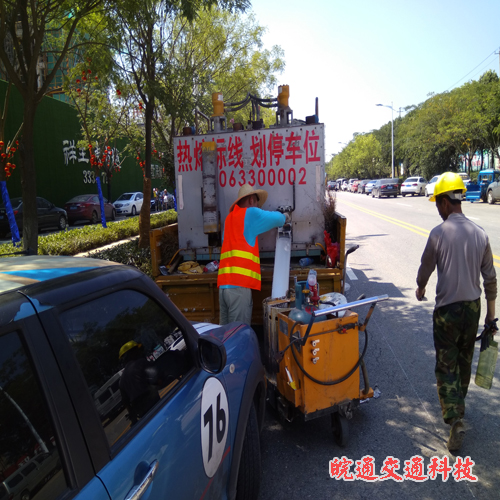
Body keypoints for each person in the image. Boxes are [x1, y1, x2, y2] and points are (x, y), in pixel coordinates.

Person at [415, 172, 497, 452]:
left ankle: (454, 419)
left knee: (446, 365)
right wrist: (490, 314)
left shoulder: (439, 233)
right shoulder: (480, 234)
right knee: (464, 360)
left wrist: (420, 288)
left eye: (438, 203)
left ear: (446, 202)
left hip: (447, 311)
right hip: (473, 308)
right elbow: (490, 279)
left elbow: (425, 268)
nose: (438, 209)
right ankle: (459, 405)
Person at [217, 183, 287, 325]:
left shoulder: (229, 219)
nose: (258, 207)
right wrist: (285, 216)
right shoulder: (250, 214)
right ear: (251, 201)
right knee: (239, 336)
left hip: (224, 288)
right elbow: (278, 219)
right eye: (257, 203)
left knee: (225, 337)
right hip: (238, 288)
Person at [119, 340, 160, 425]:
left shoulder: (121, 381)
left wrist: (133, 419)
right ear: (131, 354)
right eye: (136, 350)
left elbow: (126, 402)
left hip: (142, 414)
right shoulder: (141, 363)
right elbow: (158, 378)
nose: (139, 352)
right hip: (155, 405)